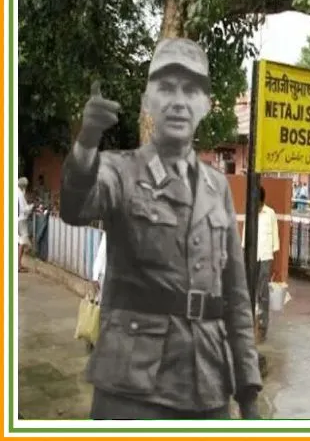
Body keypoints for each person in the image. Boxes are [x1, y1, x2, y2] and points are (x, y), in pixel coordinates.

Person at [59, 38, 262, 420]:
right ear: (147, 101)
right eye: (166, 88)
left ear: (206, 104)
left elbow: (235, 295)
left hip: (208, 386)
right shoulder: (119, 170)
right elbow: (74, 207)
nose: (178, 101)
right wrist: (86, 141)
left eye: (191, 90)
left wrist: (248, 391)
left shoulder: (218, 187)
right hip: (133, 388)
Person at [256, 186, 280, 342]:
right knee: (251, 291)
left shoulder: (270, 214)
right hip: (252, 256)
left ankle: (263, 324)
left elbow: (275, 240)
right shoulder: (250, 212)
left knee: (263, 292)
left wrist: (275, 266)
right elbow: (246, 235)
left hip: (265, 256)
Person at [17, 177, 33, 272]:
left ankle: (18, 264)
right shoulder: (20, 194)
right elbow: (24, 209)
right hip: (21, 220)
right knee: (23, 242)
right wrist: (32, 206)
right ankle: (18, 265)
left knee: (20, 242)